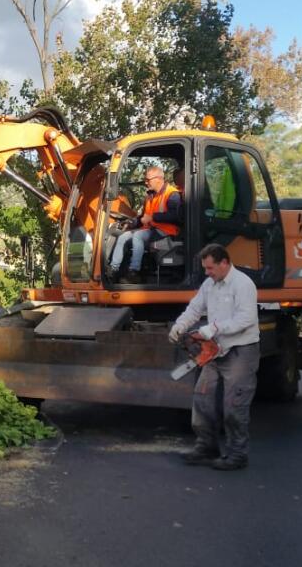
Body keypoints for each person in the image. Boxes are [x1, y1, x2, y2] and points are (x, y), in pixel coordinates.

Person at [168, 243, 260, 471]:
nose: (207, 273)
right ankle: (206, 446)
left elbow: (245, 319)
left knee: (234, 405)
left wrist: (213, 328)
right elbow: (195, 308)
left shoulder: (243, 284)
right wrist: (180, 326)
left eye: (210, 268)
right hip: (215, 350)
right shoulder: (210, 284)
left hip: (240, 351)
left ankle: (237, 455)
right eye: (206, 269)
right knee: (203, 398)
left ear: (224, 263)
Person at [108, 164, 183, 283]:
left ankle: (134, 271)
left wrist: (153, 217)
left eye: (148, 180)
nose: (146, 182)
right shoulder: (150, 196)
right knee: (123, 236)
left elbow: (176, 216)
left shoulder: (172, 194)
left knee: (138, 236)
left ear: (158, 179)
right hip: (150, 230)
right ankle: (113, 270)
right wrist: (131, 223)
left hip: (166, 232)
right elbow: (143, 217)